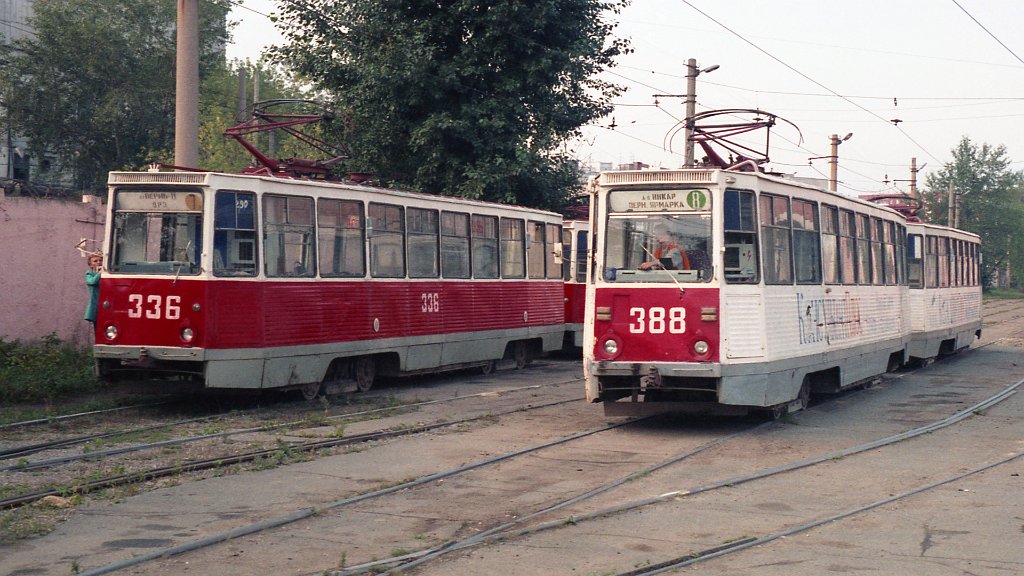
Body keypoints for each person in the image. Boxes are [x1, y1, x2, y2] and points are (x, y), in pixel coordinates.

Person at [84, 252, 102, 324]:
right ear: (90, 265)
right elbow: (92, 281)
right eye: (95, 261)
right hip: (96, 305)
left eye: (100, 260)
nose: (98, 262)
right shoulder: (89, 274)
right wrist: (99, 273)